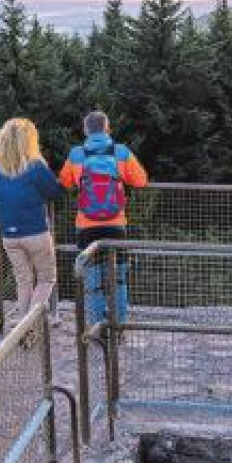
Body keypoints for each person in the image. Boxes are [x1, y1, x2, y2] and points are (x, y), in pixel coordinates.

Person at [59, 110, 148, 324]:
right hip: (115, 224)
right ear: (107, 128)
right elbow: (141, 180)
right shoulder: (121, 152)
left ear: (85, 130)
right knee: (118, 279)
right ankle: (119, 324)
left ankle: (96, 327)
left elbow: (64, 181)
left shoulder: (76, 154)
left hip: (86, 226)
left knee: (92, 281)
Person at [0, 118, 63, 320]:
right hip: (35, 232)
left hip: (9, 235)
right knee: (46, 279)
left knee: (24, 281)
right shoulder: (35, 166)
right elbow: (54, 191)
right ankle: (31, 324)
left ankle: (23, 329)